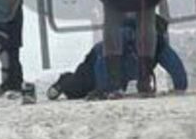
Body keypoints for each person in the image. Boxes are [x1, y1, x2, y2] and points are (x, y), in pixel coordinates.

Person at [47, 15, 188, 100]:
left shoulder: (159, 47)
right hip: (96, 61)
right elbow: (104, 58)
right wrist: (103, 89)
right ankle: (63, 82)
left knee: (113, 88)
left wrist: (180, 86)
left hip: (121, 74)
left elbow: (175, 65)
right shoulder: (124, 35)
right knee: (79, 88)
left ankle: (110, 85)